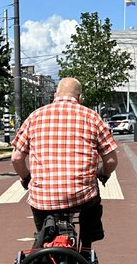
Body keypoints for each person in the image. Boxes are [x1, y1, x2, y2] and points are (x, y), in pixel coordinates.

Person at [11, 77, 118, 253]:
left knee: (42, 222)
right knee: (93, 197)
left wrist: (26, 178)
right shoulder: (92, 117)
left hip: (44, 197)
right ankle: (86, 246)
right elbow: (111, 160)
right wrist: (103, 174)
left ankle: (43, 243)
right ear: (80, 97)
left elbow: (16, 158)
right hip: (80, 196)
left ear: (55, 95)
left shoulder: (35, 116)